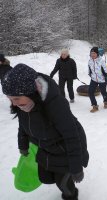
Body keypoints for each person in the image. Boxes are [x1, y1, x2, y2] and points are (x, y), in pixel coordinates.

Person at [1, 64, 89, 200]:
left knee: (63, 184)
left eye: (16, 98)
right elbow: (22, 126)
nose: (13, 103)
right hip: (45, 147)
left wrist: (76, 167)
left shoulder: (55, 104)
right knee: (46, 177)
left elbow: (72, 136)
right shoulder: (23, 104)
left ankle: (71, 195)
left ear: (30, 91)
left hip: (64, 149)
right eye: (10, 99)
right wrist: (23, 145)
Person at [88, 47, 107, 113]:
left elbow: (106, 70)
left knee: (103, 91)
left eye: (94, 53)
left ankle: (106, 101)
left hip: (102, 79)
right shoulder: (90, 61)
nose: (93, 55)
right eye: (91, 53)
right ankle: (95, 106)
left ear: (97, 54)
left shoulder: (101, 61)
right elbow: (89, 69)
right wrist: (90, 74)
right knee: (90, 92)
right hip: (94, 79)